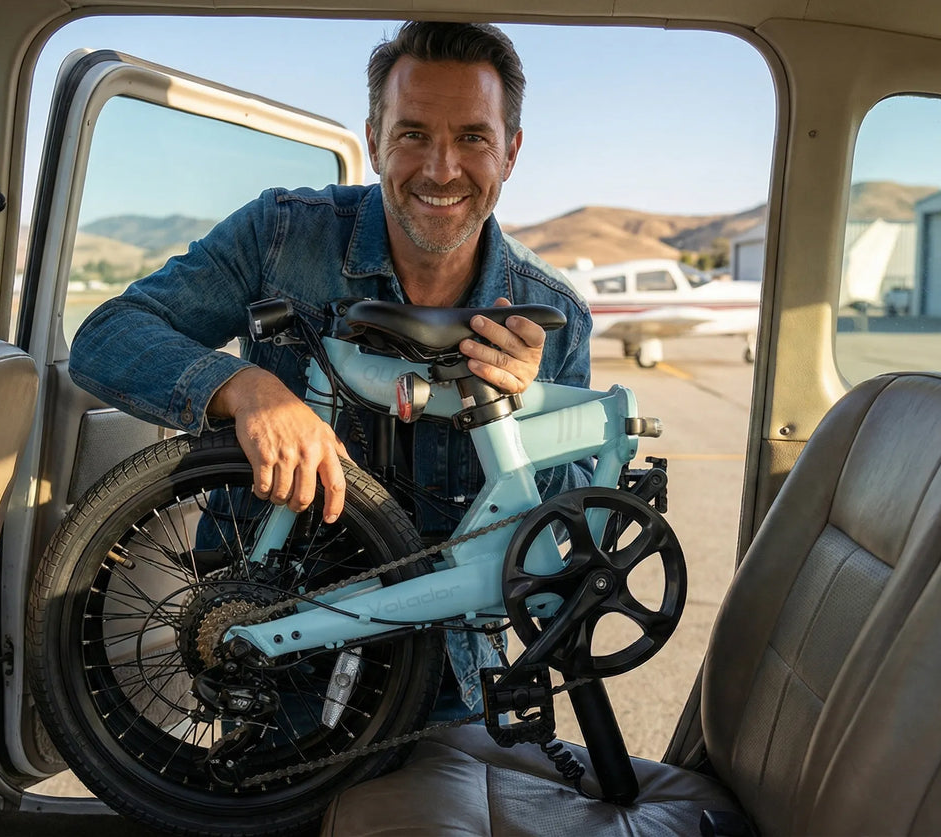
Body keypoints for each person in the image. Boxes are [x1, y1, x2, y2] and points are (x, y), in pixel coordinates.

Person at [69, 21, 593, 712]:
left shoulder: (551, 315)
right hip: (264, 644)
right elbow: (107, 336)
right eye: (412, 134)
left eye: (472, 137)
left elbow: (571, 527)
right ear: (374, 138)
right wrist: (242, 387)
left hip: (449, 669)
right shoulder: (281, 236)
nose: (440, 169)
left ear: (511, 153)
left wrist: (522, 419)